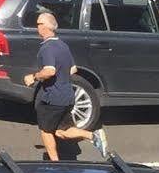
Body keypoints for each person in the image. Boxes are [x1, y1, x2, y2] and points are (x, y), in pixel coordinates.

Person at [26, 9, 106, 161]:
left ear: (45, 27)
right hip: (67, 96)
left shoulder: (47, 48)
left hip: (52, 99)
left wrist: (34, 77)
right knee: (62, 131)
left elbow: (49, 71)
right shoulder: (63, 45)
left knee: (45, 131)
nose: (37, 27)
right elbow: (72, 69)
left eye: (38, 24)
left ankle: (54, 163)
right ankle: (92, 135)